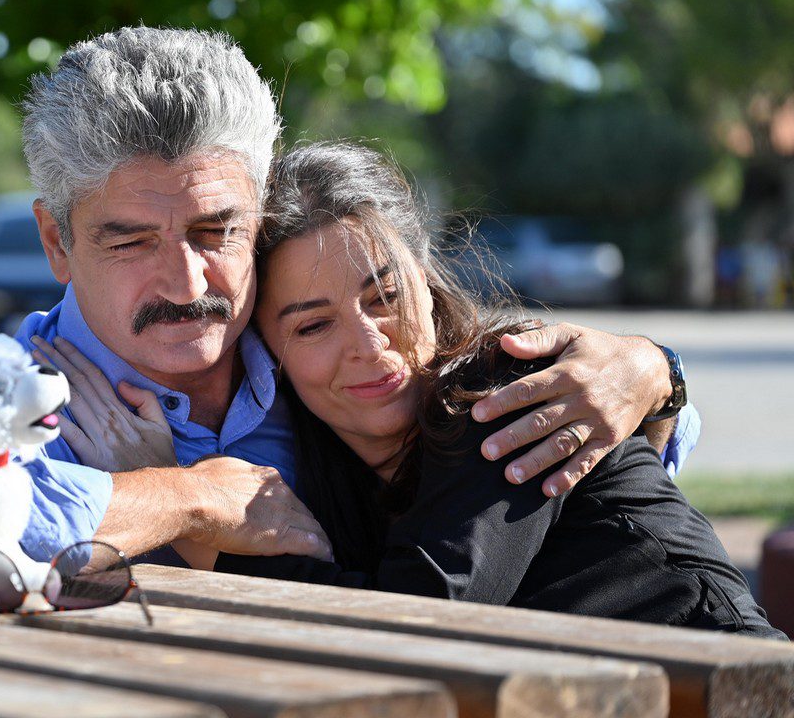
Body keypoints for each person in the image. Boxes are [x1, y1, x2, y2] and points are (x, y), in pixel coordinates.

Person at [9, 26, 699, 567]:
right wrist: (187, 496)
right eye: (130, 243)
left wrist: (651, 372)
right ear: (55, 242)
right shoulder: (4, 397)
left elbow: (568, 433)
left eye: (217, 232)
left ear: (261, 218)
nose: (187, 284)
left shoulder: (311, 352)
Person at [142, 141, 774, 637]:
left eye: (384, 297)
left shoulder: (509, 391)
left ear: (427, 282)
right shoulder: (325, 463)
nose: (367, 344)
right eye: (312, 326)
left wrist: (210, 541)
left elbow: (424, 617)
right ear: (270, 353)